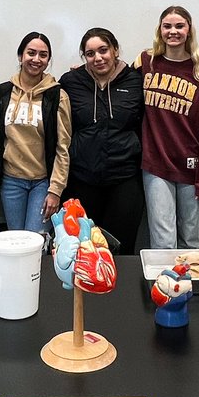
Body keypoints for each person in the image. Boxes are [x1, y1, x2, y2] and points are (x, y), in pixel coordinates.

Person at [136, 5, 199, 250]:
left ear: (189, 30)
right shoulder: (145, 63)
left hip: (191, 167)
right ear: (160, 30)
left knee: (190, 239)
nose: (173, 31)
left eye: (179, 26)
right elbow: (114, 77)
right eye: (167, 26)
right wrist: (84, 74)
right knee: (163, 240)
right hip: (156, 164)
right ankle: (165, 288)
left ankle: (188, 289)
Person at [60, 27, 144, 254]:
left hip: (124, 179)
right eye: (90, 53)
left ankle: (121, 291)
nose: (98, 58)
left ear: (115, 50)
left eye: (103, 50)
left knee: (120, 248)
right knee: (83, 249)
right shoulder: (71, 82)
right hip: (82, 179)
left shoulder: (136, 81)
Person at [0, 32, 72, 234]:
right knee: (16, 242)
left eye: (43, 55)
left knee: (35, 242)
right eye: (31, 53)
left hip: (42, 183)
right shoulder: (3, 92)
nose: (36, 59)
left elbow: (63, 147)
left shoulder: (57, 96)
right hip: (10, 182)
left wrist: (55, 190)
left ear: (48, 60)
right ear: (21, 56)